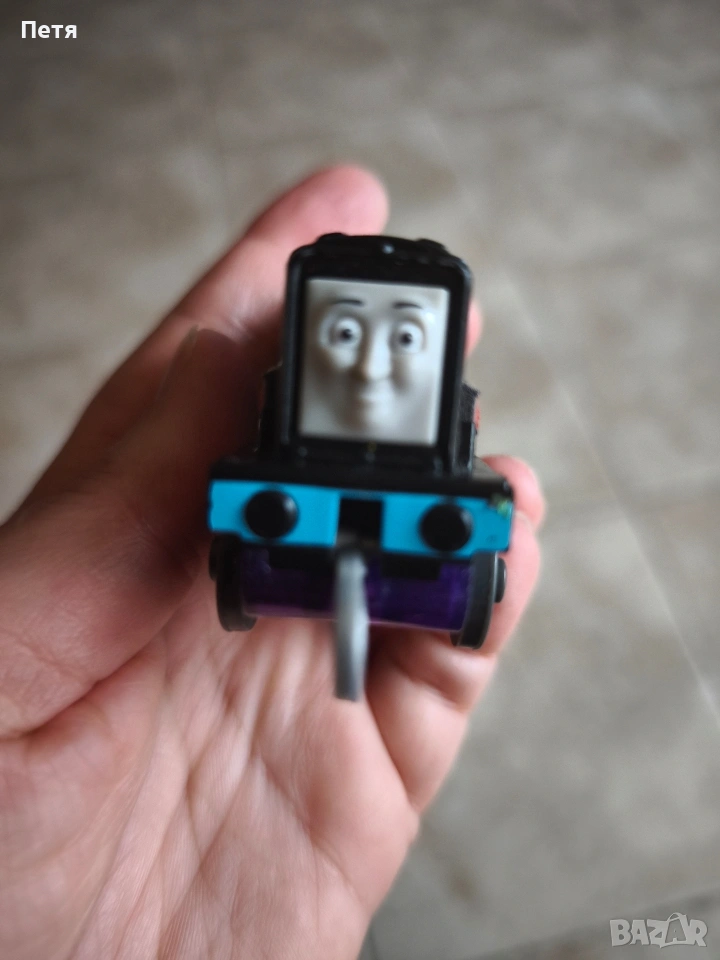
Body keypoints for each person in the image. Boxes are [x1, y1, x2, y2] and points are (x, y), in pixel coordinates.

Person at [0, 166, 543, 960]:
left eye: (404, 340)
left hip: (418, 485)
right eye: (345, 336)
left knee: (491, 518)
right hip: (301, 473)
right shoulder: (281, 398)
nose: (370, 369)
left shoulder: (445, 425)